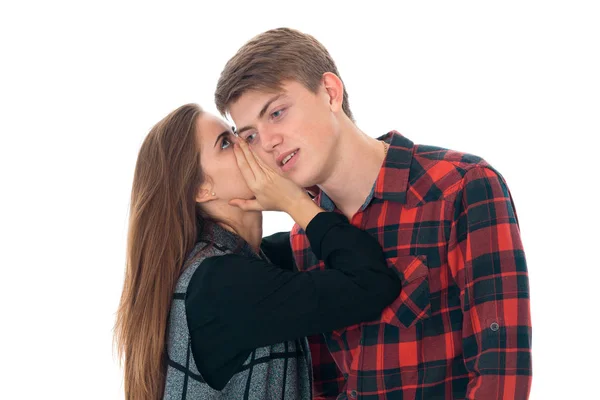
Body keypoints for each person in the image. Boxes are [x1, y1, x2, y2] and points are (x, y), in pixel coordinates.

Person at [216, 28, 533, 399]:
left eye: (277, 112)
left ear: (331, 93)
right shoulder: (306, 236)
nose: (268, 142)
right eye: (250, 135)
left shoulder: (460, 187)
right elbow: (325, 387)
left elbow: (500, 374)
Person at [114, 103, 403, 399]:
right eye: (226, 143)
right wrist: (295, 203)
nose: (249, 144)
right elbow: (372, 283)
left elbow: (336, 242)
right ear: (202, 189)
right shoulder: (221, 284)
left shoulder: (253, 261)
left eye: (241, 134)